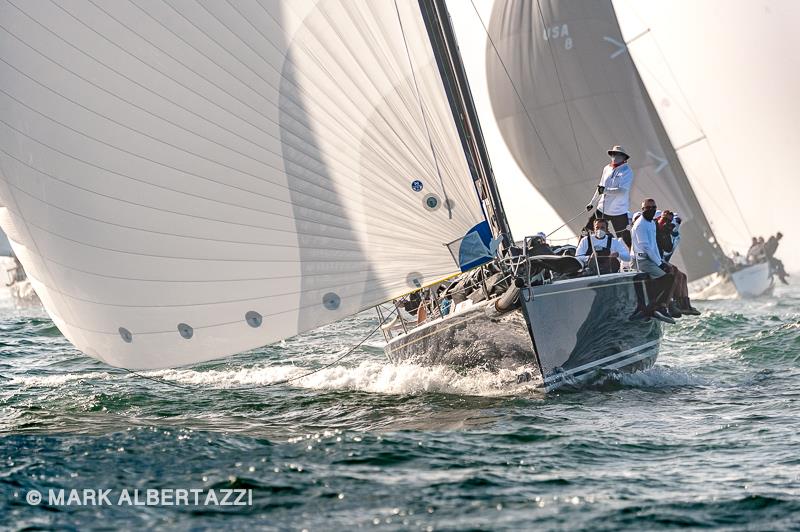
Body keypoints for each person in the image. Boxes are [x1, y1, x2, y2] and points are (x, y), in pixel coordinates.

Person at [630, 198, 675, 323]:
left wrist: (661, 261)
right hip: (640, 260)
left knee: (670, 274)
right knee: (667, 278)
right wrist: (659, 264)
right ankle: (657, 307)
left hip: (649, 259)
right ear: (643, 209)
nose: (651, 210)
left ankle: (658, 307)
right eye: (648, 208)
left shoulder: (651, 223)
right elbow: (646, 247)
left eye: (653, 208)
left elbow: (654, 245)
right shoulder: (640, 225)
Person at [586, 145, 634, 248]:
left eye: (618, 154)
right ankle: (583, 254)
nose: (615, 156)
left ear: (624, 157)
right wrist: (592, 203)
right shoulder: (606, 168)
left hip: (619, 211)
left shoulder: (627, 171)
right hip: (602, 208)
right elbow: (600, 187)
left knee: (625, 239)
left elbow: (622, 191)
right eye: (613, 154)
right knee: (587, 231)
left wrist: (605, 190)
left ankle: (632, 260)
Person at [655, 210, 701, 317]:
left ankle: (684, 304)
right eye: (665, 220)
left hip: (661, 260)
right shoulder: (656, 229)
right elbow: (665, 251)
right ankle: (672, 303)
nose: (675, 224)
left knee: (683, 276)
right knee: (673, 273)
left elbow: (668, 250)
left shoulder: (671, 233)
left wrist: (670, 233)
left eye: (678, 222)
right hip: (657, 261)